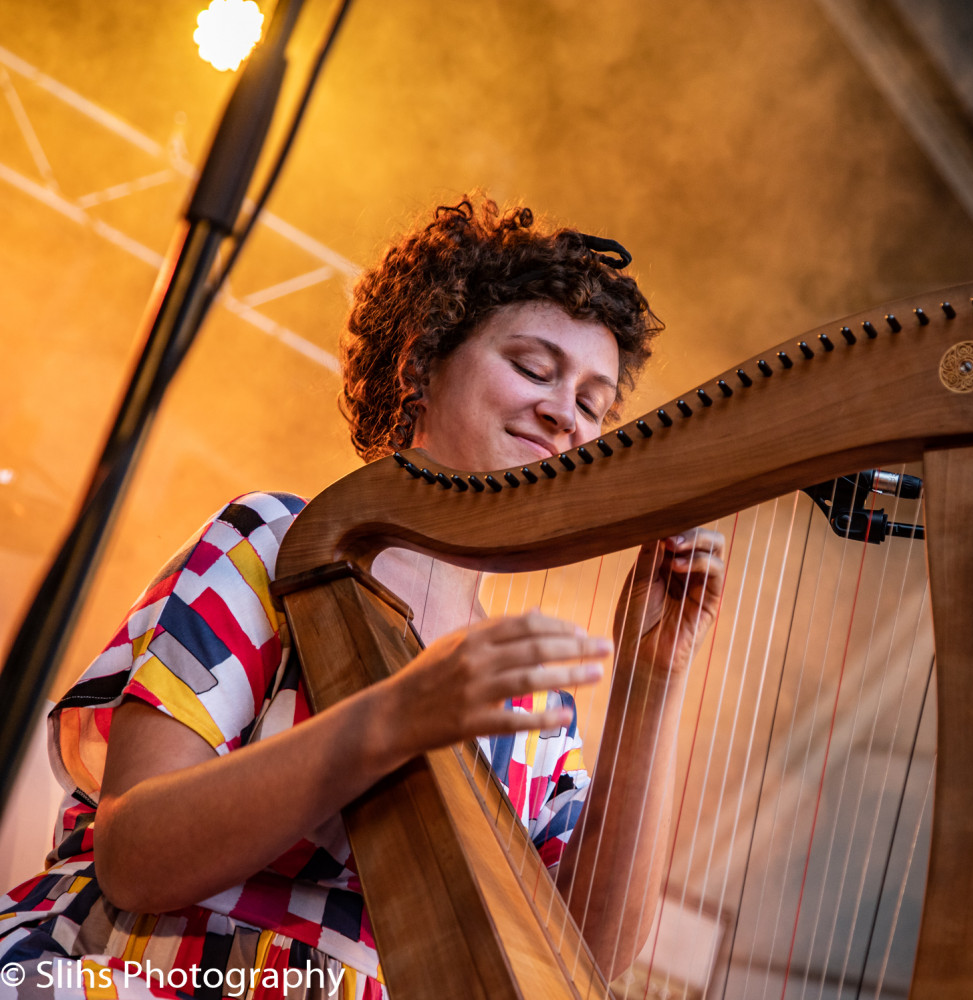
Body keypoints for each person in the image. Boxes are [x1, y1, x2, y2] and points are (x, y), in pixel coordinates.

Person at [0, 198, 726, 998]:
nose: (564, 415)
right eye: (533, 368)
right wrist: (397, 716)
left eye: (593, 405)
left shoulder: (524, 686)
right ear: (420, 366)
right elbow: (134, 855)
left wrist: (653, 680)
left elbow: (582, 949)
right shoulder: (271, 545)